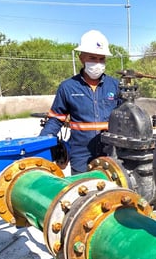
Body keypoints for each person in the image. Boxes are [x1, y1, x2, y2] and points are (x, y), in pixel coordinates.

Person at [40, 30, 122, 175]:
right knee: (83, 194)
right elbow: (55, 120)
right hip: (81, 158)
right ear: (81, 58)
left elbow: (126, 118)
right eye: (92, 58)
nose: (97, 63)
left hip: (111, 156)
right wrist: (40, 146)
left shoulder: (115, 86)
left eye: (101, 59)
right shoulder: (68, 87)